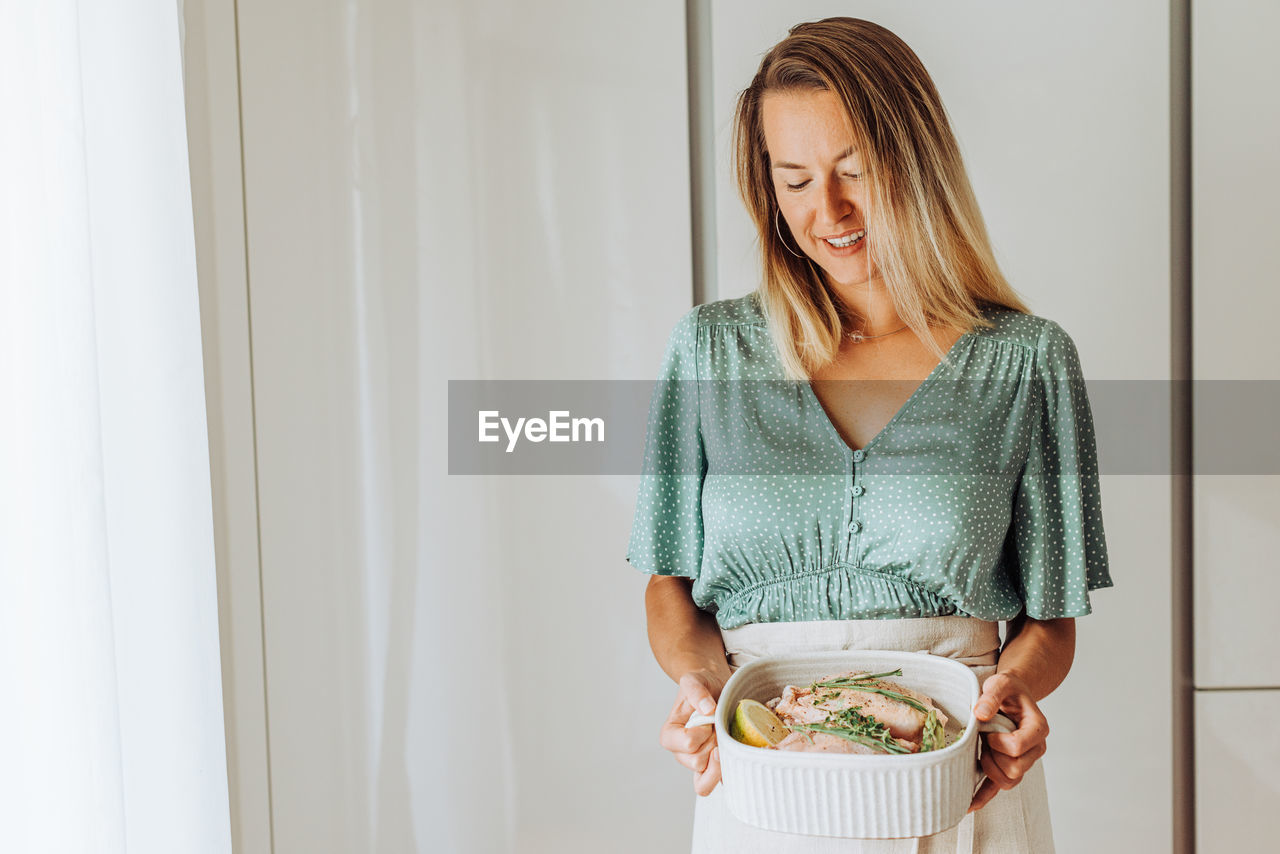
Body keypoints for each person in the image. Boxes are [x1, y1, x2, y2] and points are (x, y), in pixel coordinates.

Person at [625, 17, 1113, 854]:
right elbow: (668, 585)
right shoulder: (710, 351)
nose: (831, 211)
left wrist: (1015, 696)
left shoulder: (1027, 361)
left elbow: (1051, 620)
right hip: (764, 772)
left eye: (855, 170)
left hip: (958, 776)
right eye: (796, 180)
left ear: (916, 161)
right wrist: (700, 686)